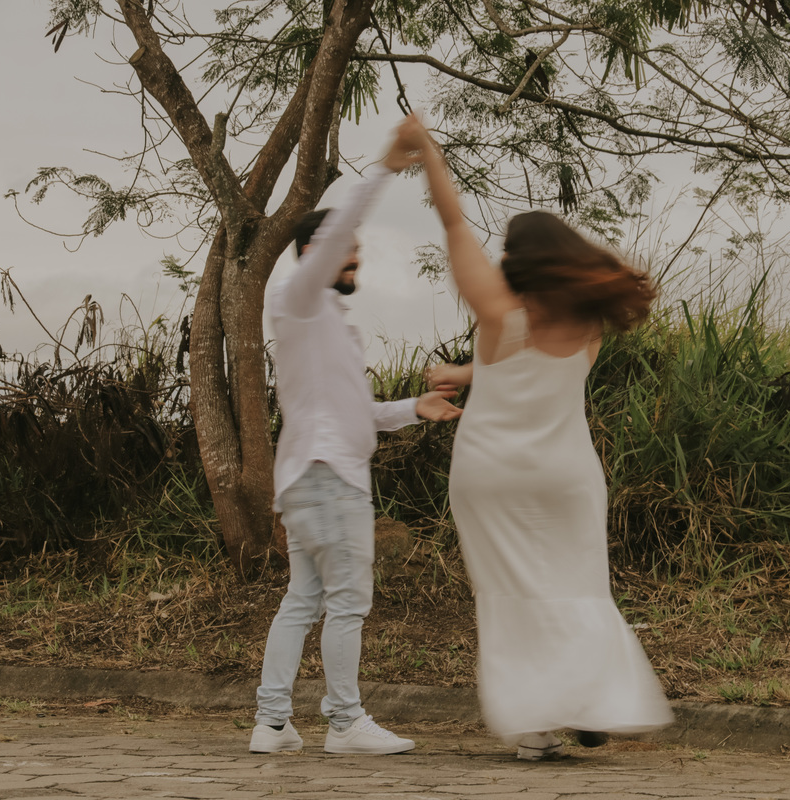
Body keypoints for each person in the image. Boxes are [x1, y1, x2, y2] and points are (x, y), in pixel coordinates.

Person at [407, 115, 674, 761]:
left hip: (491, 475)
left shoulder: (498, 314)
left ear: (515, 260)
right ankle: (594, 697)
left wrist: (429, 150)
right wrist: (469, 372)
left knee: (510, 594)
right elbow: (538, 374)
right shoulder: (591, 325)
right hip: (564, 476)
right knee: (577, 588)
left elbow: (453, 223)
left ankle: (536, 728)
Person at [248, 124, 461, 756]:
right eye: (348, 251)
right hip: (327, 478)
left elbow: (352, 413)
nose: (356, 260)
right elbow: (340, 228)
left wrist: (413, 408)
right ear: (317, 251)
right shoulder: (297, 297)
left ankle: (272, 724)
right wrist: (385, 168)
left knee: (303, 599)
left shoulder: (325, 322)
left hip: (309, 476)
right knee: (346, 601)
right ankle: (344, 723)